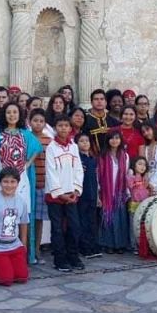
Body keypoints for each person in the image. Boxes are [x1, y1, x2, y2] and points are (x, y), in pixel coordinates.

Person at [0, 102, 44, 264]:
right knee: (2, 213)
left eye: (15, 112)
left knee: (22, 214)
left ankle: (22, 254)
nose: (12, 115)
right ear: (4, 114)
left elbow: (37, 148)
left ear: (20, 115)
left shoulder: (25, 133)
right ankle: (0, 252)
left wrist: (27, 164)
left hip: (21, 180)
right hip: (1, 178)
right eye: (8, 112)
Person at [45, 115, 85, 272]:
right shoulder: (51, 148)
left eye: (66, 125)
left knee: (74, 227)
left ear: (70, 128)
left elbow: (78, 170)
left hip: (71, 194)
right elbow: (51, 171)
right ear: (55, 128)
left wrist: (76, 190)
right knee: (57, 229)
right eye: (60, 125)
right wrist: (60, 193)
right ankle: (59, 260)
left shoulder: (73, 147)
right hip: (55, 196)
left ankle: (73, 256)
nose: (63, 128)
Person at [98, 132, 130, 254]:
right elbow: (98, 175)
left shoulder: (124, 156)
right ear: (107, 141)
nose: (114, 140)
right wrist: (99, 192)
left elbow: (126, 174)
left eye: (117, 138)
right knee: (108, 218)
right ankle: (108, 244)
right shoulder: (102, 156)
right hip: (106, 192)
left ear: (120, 140)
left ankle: (120, 244)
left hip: (119, 192)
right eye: (111, 138)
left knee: (120, 218)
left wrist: (126, 192)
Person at [28, 108, 51, 263]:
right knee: (27, 220)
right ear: (30, 122)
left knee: (38, 220)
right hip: (29, 184)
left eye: (41, 121)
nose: (38, 123)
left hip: (43, 184)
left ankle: (36, 250)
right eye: (35, 120)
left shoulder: (49, 141)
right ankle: (27, 249)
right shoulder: (27, 138)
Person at [74, 132, 101, 258]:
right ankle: (84, 247)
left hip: (92, 194)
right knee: (82, 221)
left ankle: (93, 246)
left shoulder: (92, 159)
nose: (85, 143)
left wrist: (98, 196)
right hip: (81, 195)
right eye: (82, 141)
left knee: (92, 221)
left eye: (87, 141)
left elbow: (96, 178)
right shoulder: (77, 159)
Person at [84, 89, 118, 155]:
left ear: (106, 102)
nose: (99, 101)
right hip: (92, 158)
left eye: (102, 99)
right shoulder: (85, 121)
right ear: (91, 102)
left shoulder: (113, 121)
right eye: (96, 99)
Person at [127, 156, 150, 251]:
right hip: (134, 204)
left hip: (143, 203)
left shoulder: (144, 177)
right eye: (140, 164)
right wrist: (130, 175)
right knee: (133, 225)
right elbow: (129, 185)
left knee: (142, 225)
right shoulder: (132, 177)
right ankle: (133, 245)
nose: (142, 167)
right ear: (134, 165)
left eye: (144, 164)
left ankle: (142, 244)